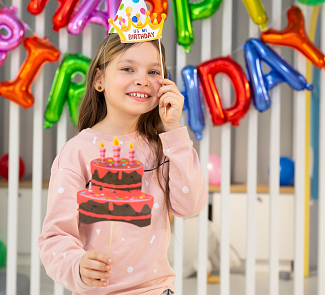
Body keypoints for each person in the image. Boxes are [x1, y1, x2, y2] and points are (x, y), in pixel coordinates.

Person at [38, 32, 208, 295]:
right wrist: (76, 265)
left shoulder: (162, 148)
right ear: (99, 80)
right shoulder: (78, 152)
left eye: (153, 72)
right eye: (128, 68)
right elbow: (55, 238)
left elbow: (190, 205)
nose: (142, 80)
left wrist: (174, 129)